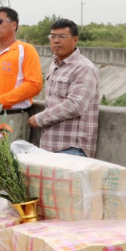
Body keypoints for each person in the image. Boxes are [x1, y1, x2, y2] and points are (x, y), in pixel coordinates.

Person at [28, 19, 100, 157]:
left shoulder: (84, 68)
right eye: (52, 36)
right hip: (50, 146)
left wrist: (40, 118)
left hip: (71, 147)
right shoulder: (55, 64)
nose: (55, 41)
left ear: (75, 40)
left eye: (61, 36)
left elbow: (75, 105)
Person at [0, 7, 43, 142]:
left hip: (12, 117)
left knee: (10, 161)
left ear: (14, 25)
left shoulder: (25, 50)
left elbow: (34, 85)